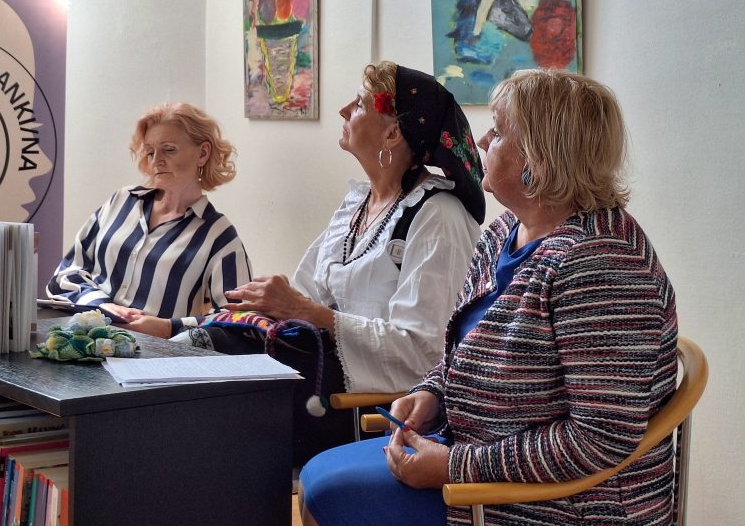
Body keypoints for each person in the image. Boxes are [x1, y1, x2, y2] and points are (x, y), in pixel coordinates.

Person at [299, 69, 678, 526]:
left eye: (497, 132)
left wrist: (456, 467)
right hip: (478, 459)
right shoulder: (505, 232)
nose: (480, 141)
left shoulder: (603, 263)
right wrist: (431, 392)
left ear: (538, 159)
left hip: (559, 504)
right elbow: (464, 350)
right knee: (318, 477)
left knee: (329, 493)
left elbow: (599, 440)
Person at [187, 62, 486, 468]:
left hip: (362, 408)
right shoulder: (358, 205)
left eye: (359, 104)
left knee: (210, 394)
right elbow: (304, 296)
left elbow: (424, 353)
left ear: (393, 134)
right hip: (316, 378)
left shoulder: (438, 216)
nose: (344, 110)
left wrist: (305, 310)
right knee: (205, 350)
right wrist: (270, 303)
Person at [44, 102, 252, 338]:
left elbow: (241, 322)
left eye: (169, 149)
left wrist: (169, 327)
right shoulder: (121, 201)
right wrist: (101, 305)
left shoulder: (219, 235)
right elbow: (65, 275)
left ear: (203, 153)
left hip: (150, 354)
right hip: (79, 343)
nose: (156, 161)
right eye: (151, 152)